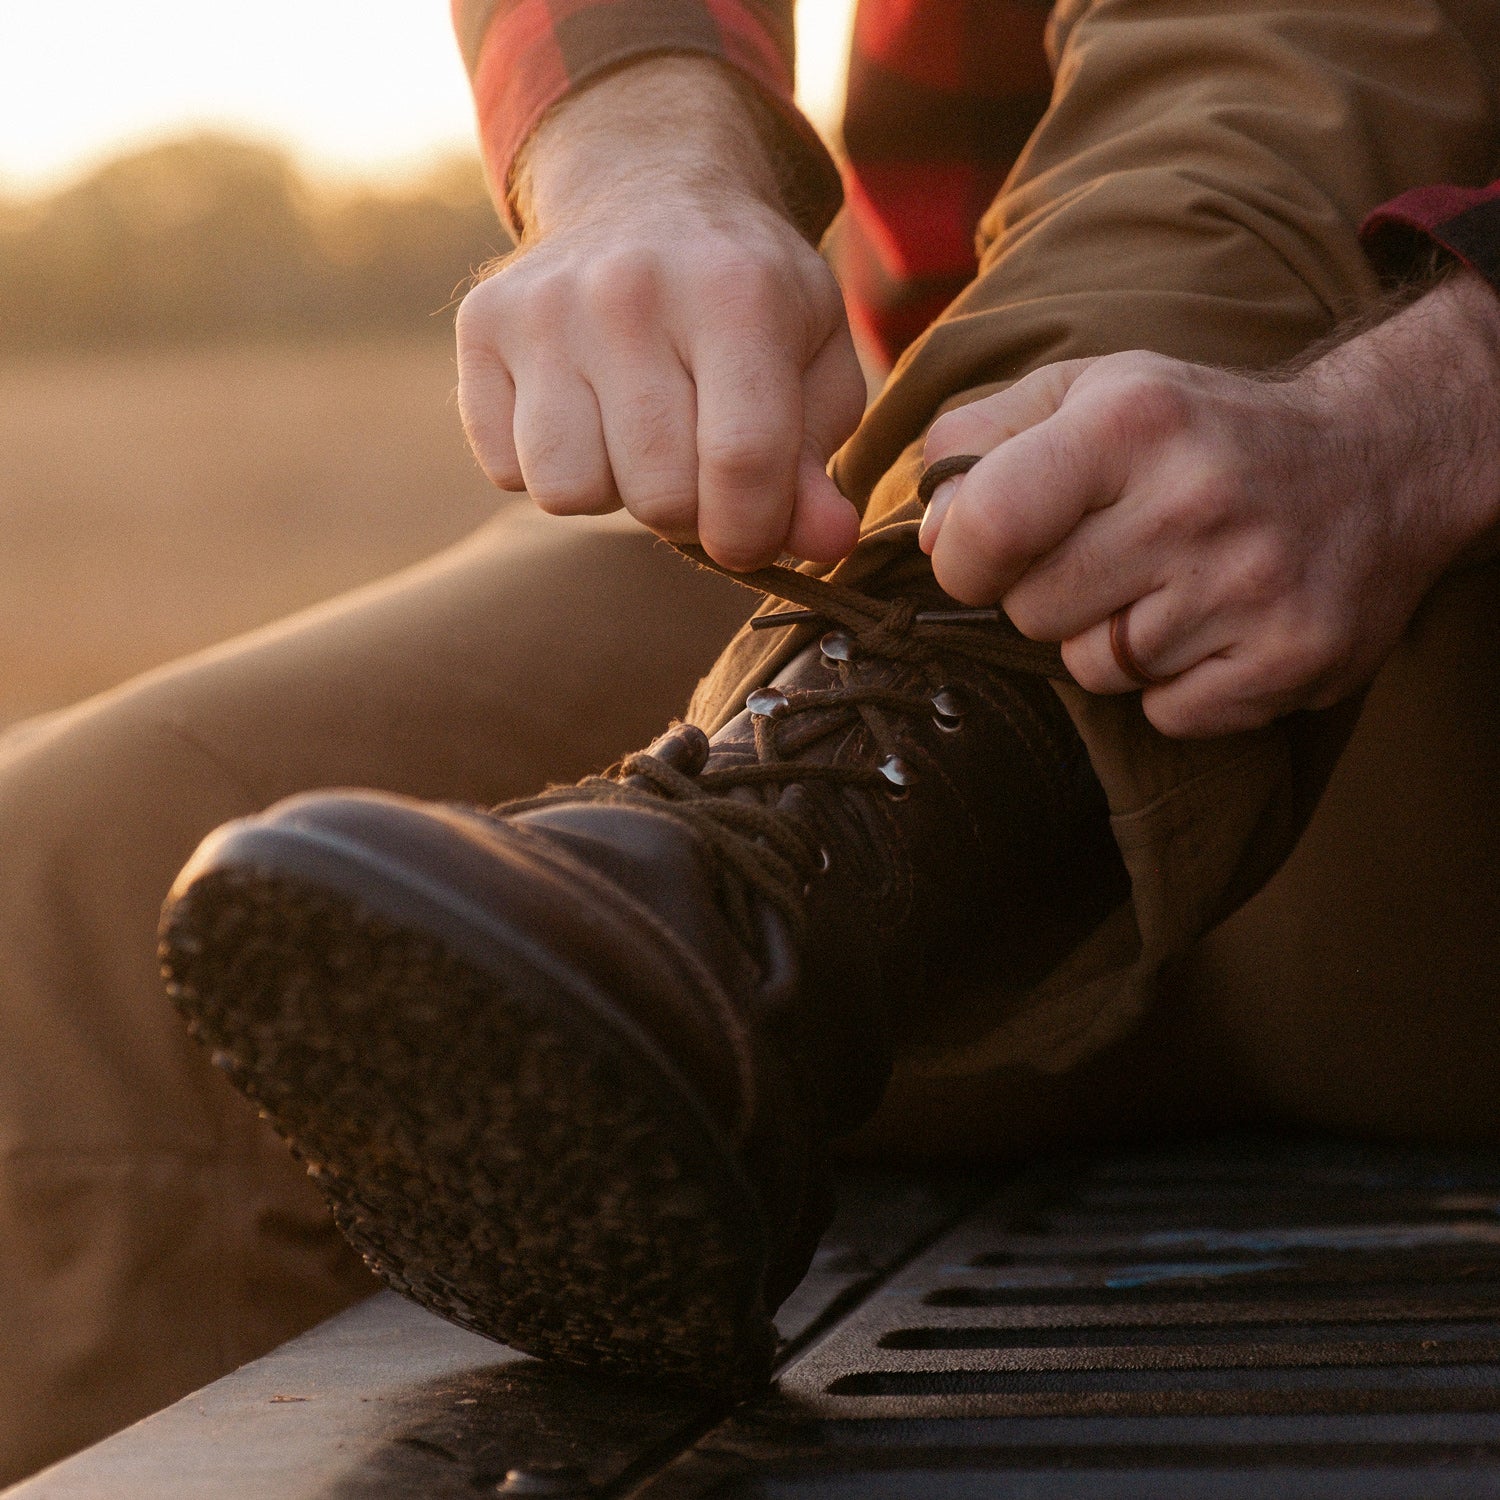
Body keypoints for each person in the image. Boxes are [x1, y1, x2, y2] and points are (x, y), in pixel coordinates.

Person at [5, 0, 1500, 1479]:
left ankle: (810, 844)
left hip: (1427, 629)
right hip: (911, 506)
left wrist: (1426, 418)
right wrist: (641, 152)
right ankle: (813, 808)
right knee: (56, 919)